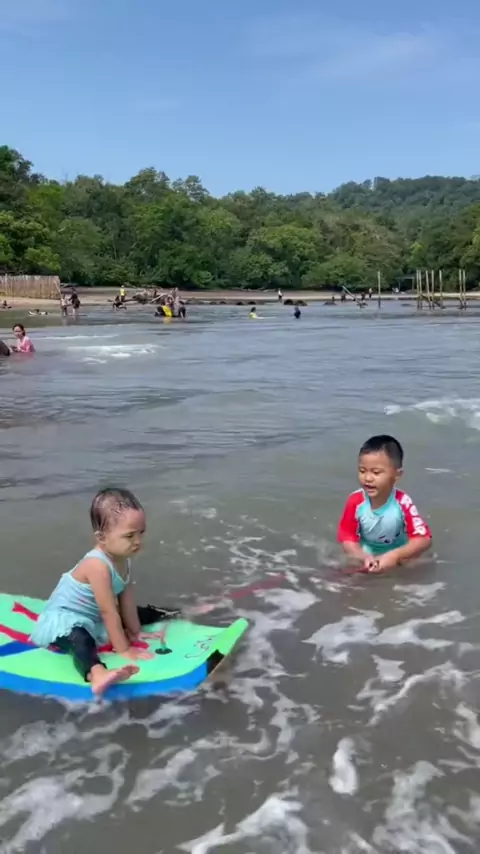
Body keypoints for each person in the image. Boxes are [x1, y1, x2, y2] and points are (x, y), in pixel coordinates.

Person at [30, 488, 186, 696]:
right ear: (102, 538)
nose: (138, 541)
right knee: (80, 639)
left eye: (141, 532)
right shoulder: (97, 565)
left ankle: (179, 612)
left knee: (139, 612)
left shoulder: (123, 559)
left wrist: (136, 632)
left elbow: (126, 600)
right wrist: (124, 650)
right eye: (129, 535)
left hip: (93, 617)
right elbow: (108, 611)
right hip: (66, 621)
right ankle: (97, 674)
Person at [337, 434, 432, 573]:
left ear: (396, 475)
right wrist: (363, 557)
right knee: (343, 573)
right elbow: (347, 538)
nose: (368, 478)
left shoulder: (403, 502)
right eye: (362, 471)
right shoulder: (355, 501)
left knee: (421, 565)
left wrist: (395, 556)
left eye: (376, 472)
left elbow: (424, 539)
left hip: (398, 554)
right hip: (367, 555)